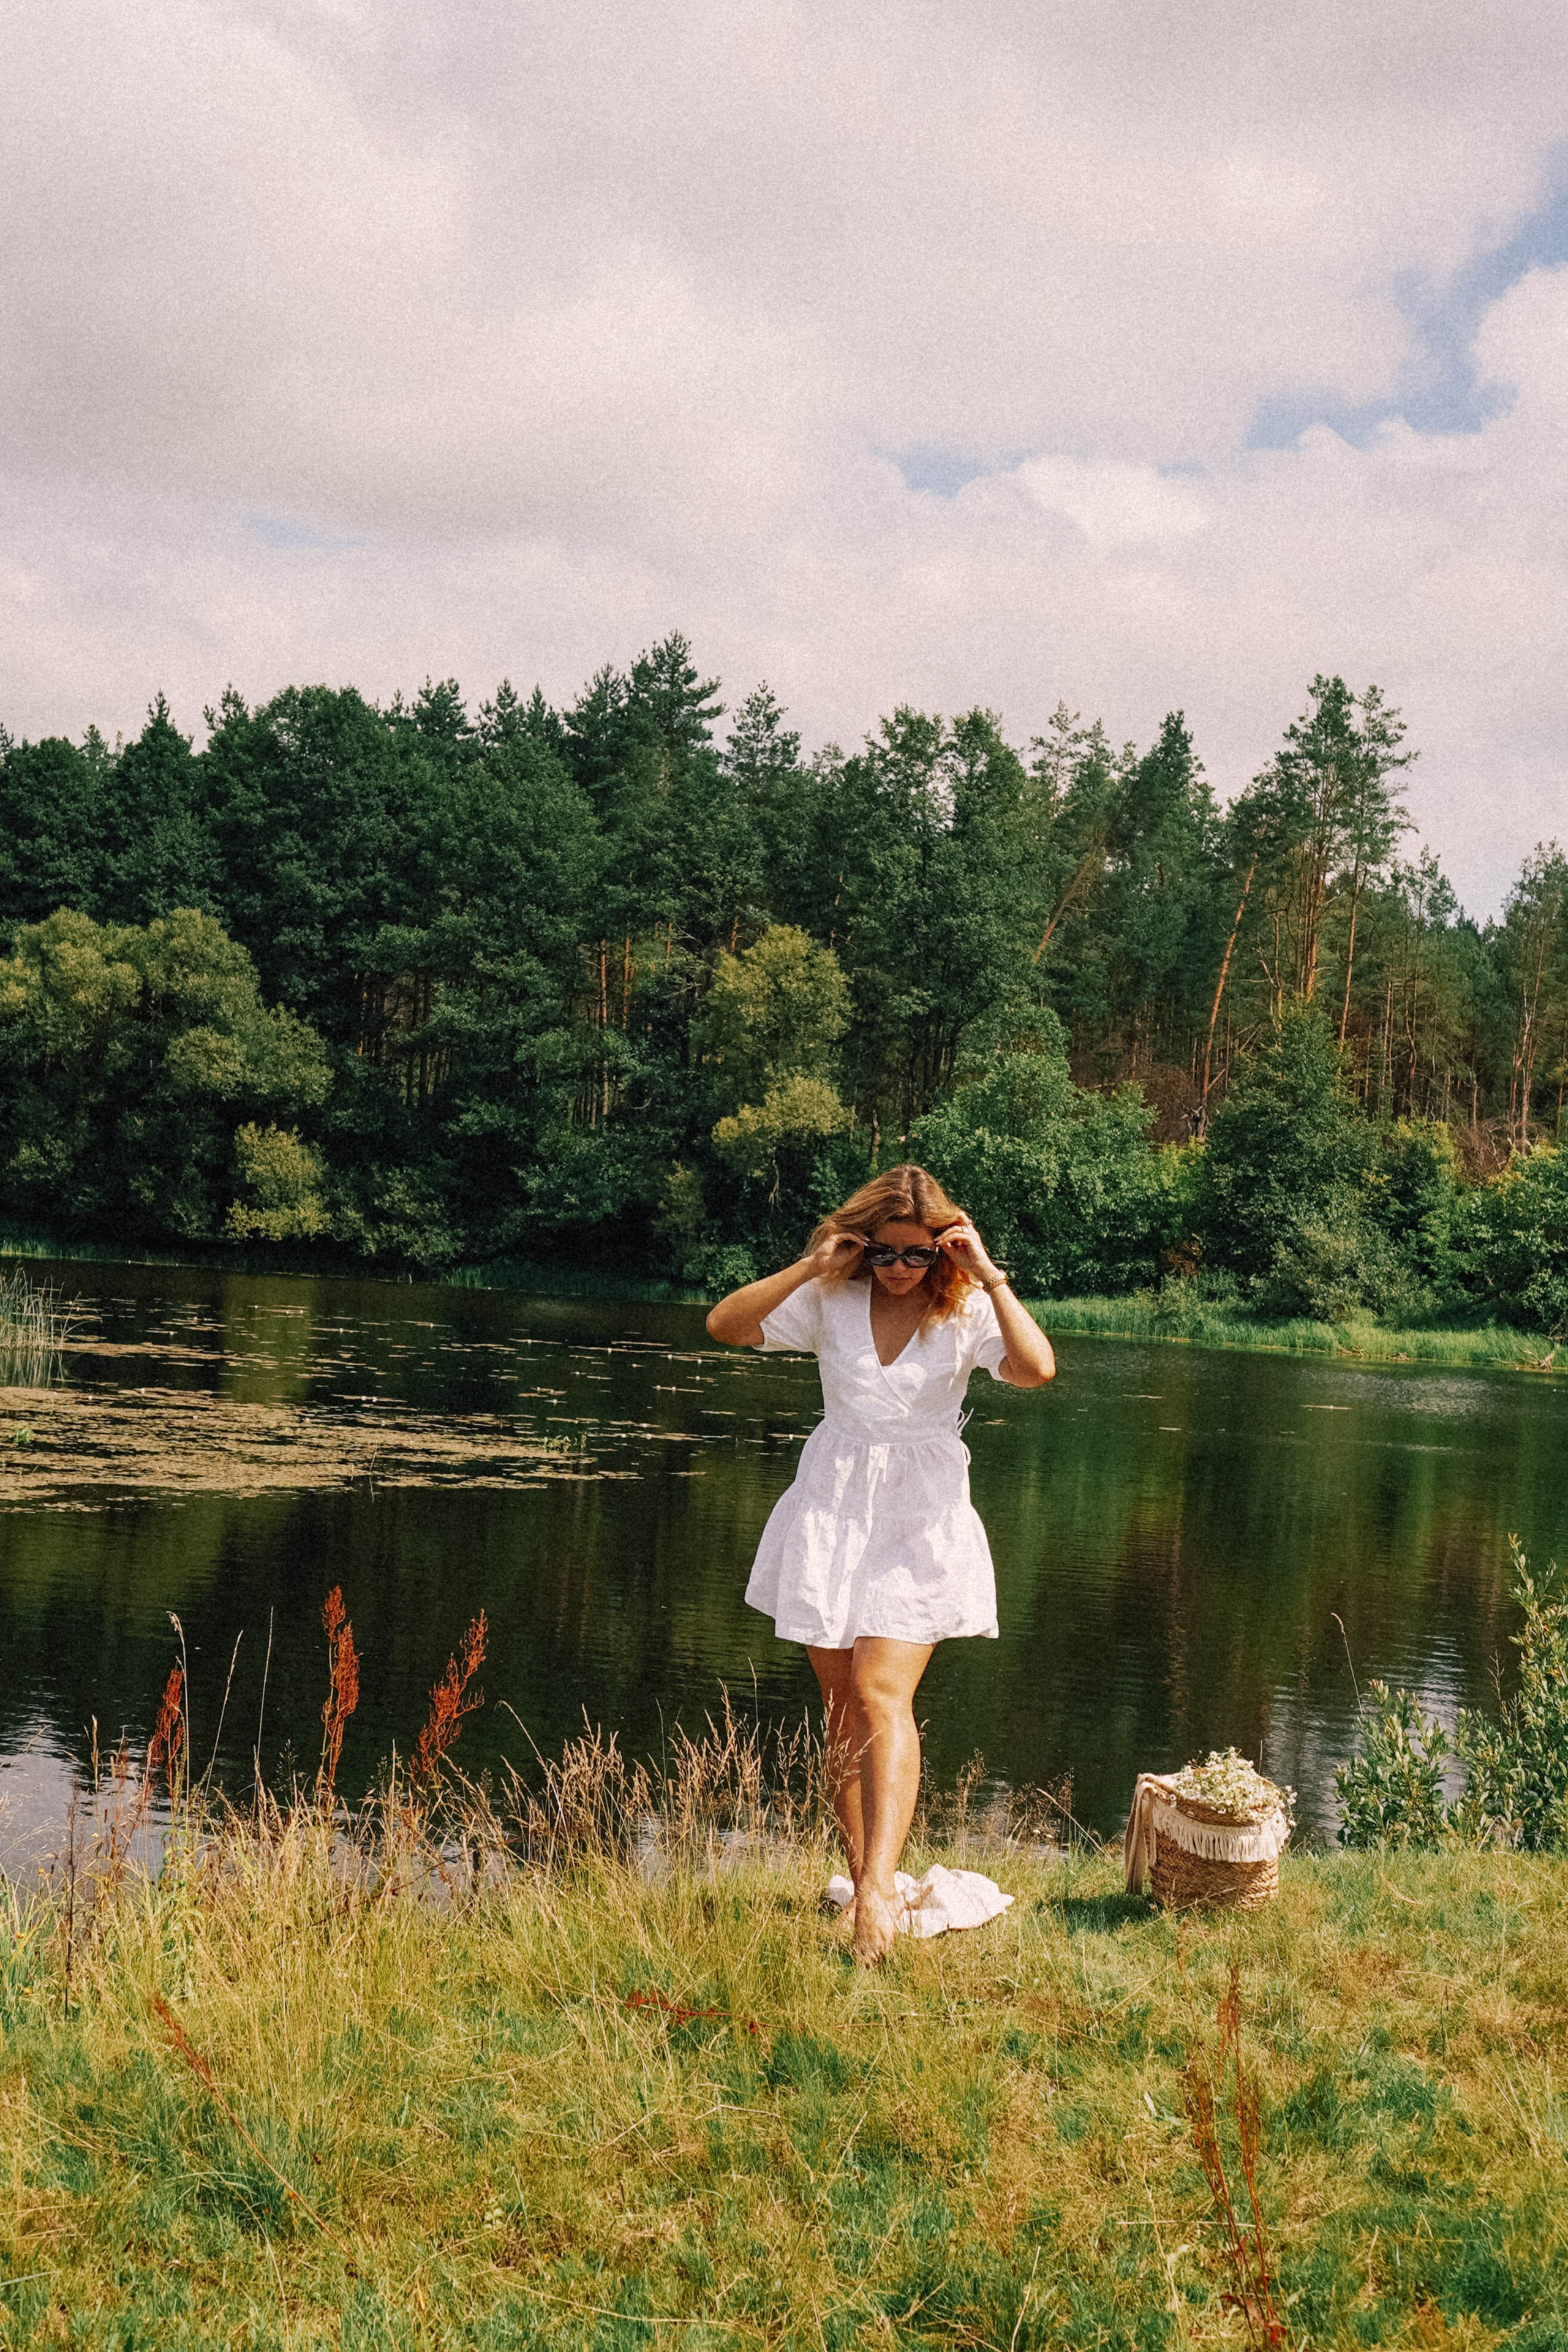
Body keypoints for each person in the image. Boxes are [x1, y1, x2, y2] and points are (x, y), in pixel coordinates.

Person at [705, 1164, 1055, 1962]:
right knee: (839, 1705)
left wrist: (990, 1274)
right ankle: (870, 1882)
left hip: (920, 1519)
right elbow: (725, 1326)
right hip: (832, 1508)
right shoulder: (831, 1299)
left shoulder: (966, 1311)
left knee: (878, 1692)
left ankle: (874, 1905)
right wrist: (811, 1264)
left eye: (919, 1255)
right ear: (861, 1247)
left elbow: (1037, 1370)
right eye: (885, 1254)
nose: (901, 1269)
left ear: (945, 1251)